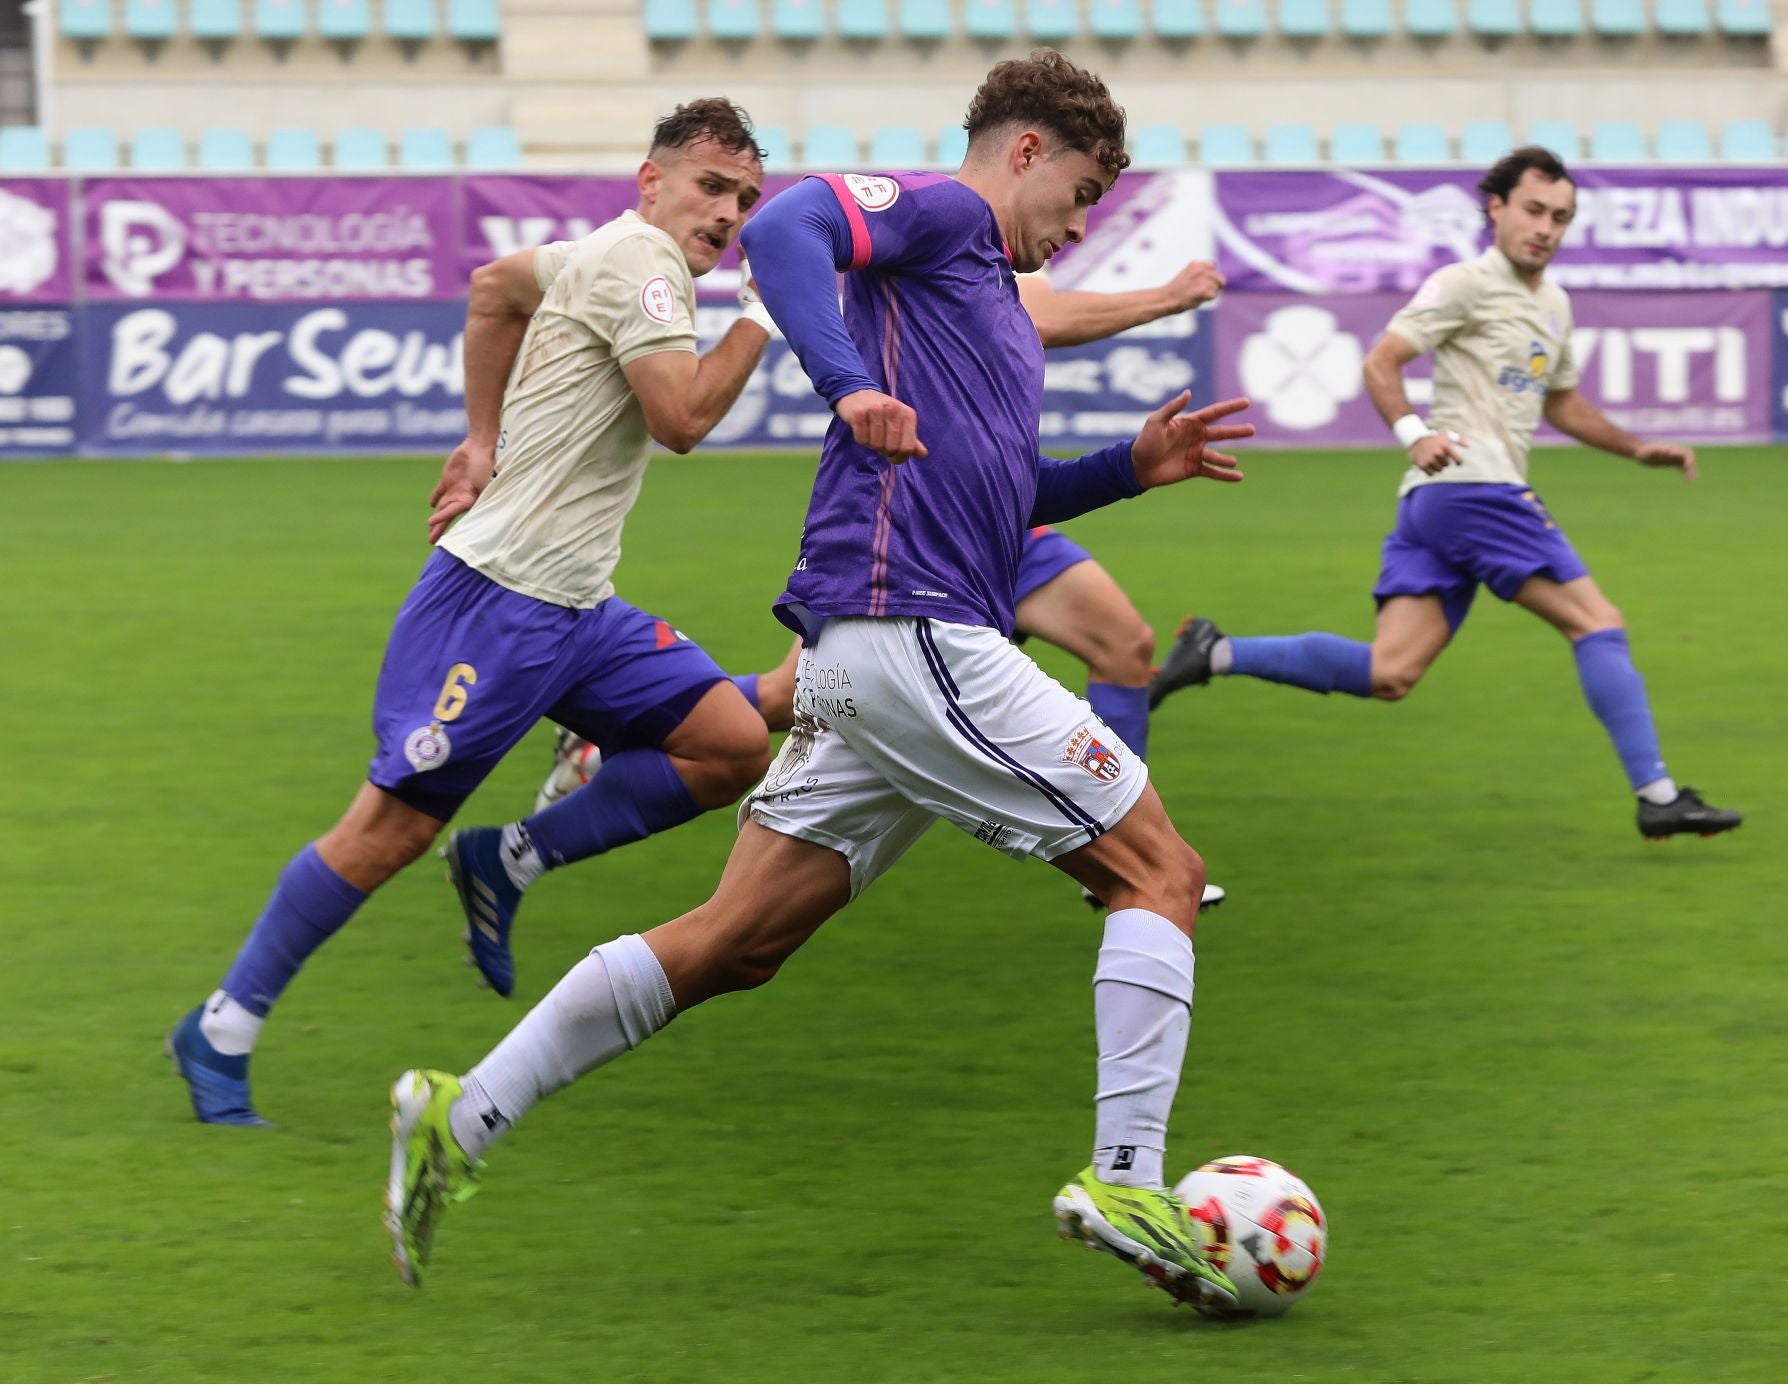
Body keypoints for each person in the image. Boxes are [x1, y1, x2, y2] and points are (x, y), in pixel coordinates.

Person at [384, 51, 1254, 1312]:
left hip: (882, 657)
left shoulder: (988, 298)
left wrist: (1131, 465)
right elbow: (791, 225)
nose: (1079, 226)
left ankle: (457, 1119)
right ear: (1022, 152)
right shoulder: (947, 212)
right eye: (1079, 192)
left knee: (736, 943)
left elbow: (1001, 499)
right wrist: (845, 384)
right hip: (914, 640)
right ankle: (1127, 1178)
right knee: (1159, 872)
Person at [167, 100, 777, 1126]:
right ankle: (220, 1029)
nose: (727, 213)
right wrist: (765, 309)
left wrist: (482, 438)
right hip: (495, 604)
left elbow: (494, 287)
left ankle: (510, 856)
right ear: (651, 181)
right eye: (710, 187)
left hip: (577, 603)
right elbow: (682, 420)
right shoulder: (648, 266)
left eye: (746, 200)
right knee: (386, 831)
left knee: (730, 743)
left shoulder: (602, 251)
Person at [530, 261, 1232, 909]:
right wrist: (1170, 297)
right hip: (927, 530)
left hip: (995, 514)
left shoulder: (985, 237)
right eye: (1079, 194)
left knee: (1124, 643)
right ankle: (608, 740)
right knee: (783, 699)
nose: (1075, 226)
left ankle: (1120, 847)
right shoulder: (959, 236)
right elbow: (1041, 315)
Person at [1150, 146, 1742, 842]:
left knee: (1390, 671)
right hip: (1474, 488)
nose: (1546, 227)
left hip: (1441, 506)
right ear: (1496, 208)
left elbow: (1563, 404)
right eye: (1533, 210)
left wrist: (1637, 447)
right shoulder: (1464, 282)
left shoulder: (1553, 304)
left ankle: (1216, 652)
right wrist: (1413, 431)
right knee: (1597, 623)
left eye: (1560, 217)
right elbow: (1382, 359)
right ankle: (1658, 794)